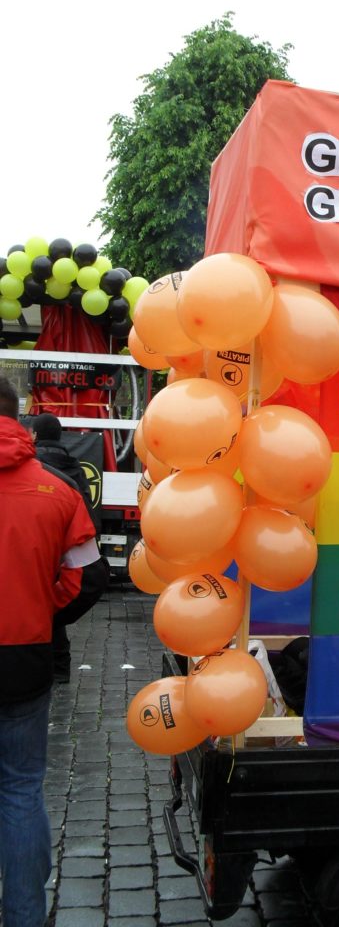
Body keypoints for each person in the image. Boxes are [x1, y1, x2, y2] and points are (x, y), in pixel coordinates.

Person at [0, 376, 108, 927]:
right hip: (24, 656)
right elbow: (87, 578)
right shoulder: (59, 491)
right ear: (17, 417)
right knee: (20, 788)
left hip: (26, 649)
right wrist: (44, 610)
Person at [31, 413, 97, 684]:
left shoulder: (35, 466)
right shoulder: (75, 467)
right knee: (54, 607)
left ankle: (48, 665)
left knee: (39, 605)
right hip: (70, 546)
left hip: (42, 545)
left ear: (34, 435)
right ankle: (60, 666)